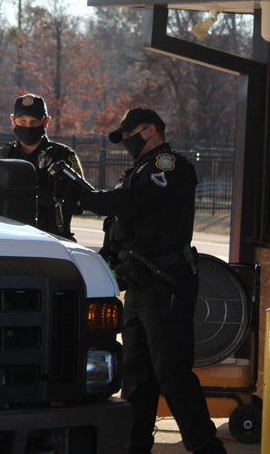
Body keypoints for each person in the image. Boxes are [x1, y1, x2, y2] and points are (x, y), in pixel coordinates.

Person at [54, 108, 226, 454]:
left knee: (172, 374)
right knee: (137, 377)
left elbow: (135, 203)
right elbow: (122, 220)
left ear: (151, 130)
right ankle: (134, 447)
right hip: (140, 283)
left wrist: (83, 195)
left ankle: (207, 448)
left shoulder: (170, 166)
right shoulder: (139, 172)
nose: (127, 142)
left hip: (168, 282)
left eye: (130, 135)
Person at [0, 94, 87, 241]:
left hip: (50, 239)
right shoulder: (1, 158)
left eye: (34, 121)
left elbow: (80, 203)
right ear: (13, 121)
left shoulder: (63, 156)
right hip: (5, 238)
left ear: (46, 122)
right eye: (22, 121)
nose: (28, 126)